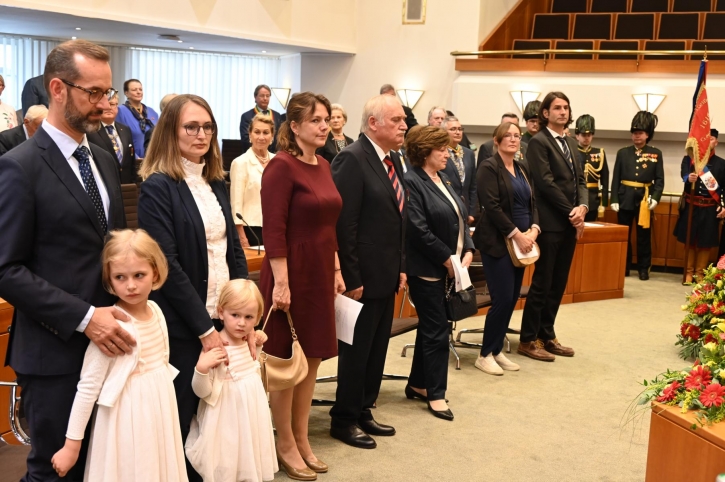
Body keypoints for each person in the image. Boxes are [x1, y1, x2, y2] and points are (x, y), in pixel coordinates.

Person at [0, 39, 133, 481]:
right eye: (92, 92)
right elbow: (6, 270)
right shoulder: (19, 166)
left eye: (107, 92)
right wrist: (85, 318)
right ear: (57, 89)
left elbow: (112, 248)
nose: (104, 104)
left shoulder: (103, 160)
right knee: (55, 472)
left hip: (111, 346)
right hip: (55, 352)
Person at [138, 94, 249, 482]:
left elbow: (233, 250)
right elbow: (167, 265)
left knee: (218, 416)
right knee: (183, 416)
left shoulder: (216, 181)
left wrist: (243, 311)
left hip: (223, 315)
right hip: (184, 324)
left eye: (208, 127)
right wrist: (204, 328)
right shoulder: (157, 186)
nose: (201, 135)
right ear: (171, 131)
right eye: (191, 127)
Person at [50, 229, 187, 481]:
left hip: (159, 412)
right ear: (110, 280)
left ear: (155, 273)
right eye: (120, 277)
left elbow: (163, 359)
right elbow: (88, 387)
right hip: (125, 418)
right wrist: (72, 445)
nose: (131, 285)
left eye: (139, 275)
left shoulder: (156, 310)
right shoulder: (112, 326)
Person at [260, 91, 344, 480]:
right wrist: (281, 283)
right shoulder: (280, 166)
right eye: (315, 120)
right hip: (290, 273)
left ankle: (301, 436)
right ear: (294, 126)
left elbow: (329, 225)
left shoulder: (324, 165)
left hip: (320, 270)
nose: (324, 126)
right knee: (286, 361)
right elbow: (274, 230)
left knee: (311, 359)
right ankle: (284, 442)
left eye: (326, 119)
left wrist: (337, 269)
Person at [330, 94, 407, 448]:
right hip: (361, 277)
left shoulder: (393, 159)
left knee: (376, 350)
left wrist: (401, 267)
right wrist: (352, 276)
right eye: (397, 120)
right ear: (373, 123)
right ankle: (344, 419)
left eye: (403, 120)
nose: (404, 126)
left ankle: (364, 409)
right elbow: (344, 225)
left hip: (387, 274)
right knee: (357, 351)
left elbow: (398, 219)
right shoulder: (352, 158)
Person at [403, 125, 475, 420]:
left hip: (452, 266)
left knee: (431, 328)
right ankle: (436, 394)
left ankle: (418, 384)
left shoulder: (443, 178)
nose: (448, 154)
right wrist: (447, 259)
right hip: (428, 269)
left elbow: (461, 216)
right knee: (437, 331)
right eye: (442, 149)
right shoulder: (412, 181)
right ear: (424, 152)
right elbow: (417, 229)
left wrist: (468, 248)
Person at [518, 91, 587, 362]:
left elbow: (580, 181)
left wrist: (583, 208)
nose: (563, 112)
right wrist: (571, 211)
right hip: (550, 223)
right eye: (557, 108)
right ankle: (528, 339)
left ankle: (547, 335)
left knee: (558, 283)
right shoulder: (539, 141)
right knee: (542, 282)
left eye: (566, 107)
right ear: (545, 113)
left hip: (569, 224)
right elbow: (545, 183)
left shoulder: (570, 142)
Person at [186, 279, 277, 482]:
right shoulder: (216, 347)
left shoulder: (249, 342)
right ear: (221, 312)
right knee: (226, 458)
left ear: (258, 318)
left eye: (249, 317)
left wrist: (259, 344)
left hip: (250, 411)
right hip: (224, 415)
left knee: (247, 452)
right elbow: (203, 392)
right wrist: (201, 368)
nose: (242, 323)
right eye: (235, 315)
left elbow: (252, 367)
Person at [473, 122, 539, 375]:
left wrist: (534, 229)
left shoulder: (522, 167)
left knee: (512, 298)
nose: (513, 139)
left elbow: (533, 203)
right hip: (498, 243)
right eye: (508, 136)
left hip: (523, 243)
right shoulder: (488, 167)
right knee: (501, 299)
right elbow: (491, 206)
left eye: (517, 136)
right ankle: (484, 355)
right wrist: (516, 235)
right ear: (496, 140)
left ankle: (496, 349)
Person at [610, 111, 665, 280]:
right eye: (634, 133)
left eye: (640, 133)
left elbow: (659, 180)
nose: (637, 136)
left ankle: (643, 268)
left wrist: (655, 197)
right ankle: (624, 266)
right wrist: (614, 199)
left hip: (644, 200)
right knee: (624, 235)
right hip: (624, 198)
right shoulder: (623, 153)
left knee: (643, 237)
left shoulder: (656, 153)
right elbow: (616, 178)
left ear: (647, 135)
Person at [674, 129, 725, 283]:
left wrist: (723, 205)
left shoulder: (721, 163)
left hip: (709, 208)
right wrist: (688, 177)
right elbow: (683, 174)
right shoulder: (689, 160)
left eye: (711, 139)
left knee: (705, 242)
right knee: (690, 240)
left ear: (716, 142)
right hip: (691, 206)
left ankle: (699, 273)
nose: (708, 142)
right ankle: (688, 272)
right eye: (705, 139)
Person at [231, 114, 275, 247]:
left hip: (276, 227)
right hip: (251, 229)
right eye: (257, 132)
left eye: (266, 132)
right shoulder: (240, 163)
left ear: (272, 136)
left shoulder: (278, 161)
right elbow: (236, 204)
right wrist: (242, 237)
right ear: (250, 135)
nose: (261, 137)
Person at [87, 92, 136, 183]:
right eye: (107, 103)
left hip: (127, 184)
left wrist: (134, 184)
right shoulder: (90, 131)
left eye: (113, 104)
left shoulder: (125, 130)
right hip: (104, 183)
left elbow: (131, 161)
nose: (109, 108)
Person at [441, 116, 477, 225]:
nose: (458, 132)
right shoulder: (440, 153)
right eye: (453, 129)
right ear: (443, 132)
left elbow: (473, 185)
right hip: (447, 207)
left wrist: (472, 212)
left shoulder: (468, 153)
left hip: (465, 208)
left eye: (460, 129)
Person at [575, 114, 609, 221]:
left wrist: (603, 203)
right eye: (583, 135)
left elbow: (605, 179)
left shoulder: (599, 153)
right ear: (577, 136)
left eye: (589, 135)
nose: (586, 138)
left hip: (593, 200)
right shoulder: (572, 152)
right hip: (576, 199)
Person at [116, 78, 158, 159]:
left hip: (154, 158)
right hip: (134, 159)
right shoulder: (120, 111)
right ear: (126, 93)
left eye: (140, 89)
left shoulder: (152, 111)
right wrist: (136, 158)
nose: (138, 92)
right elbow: (120, 139)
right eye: (134, 90)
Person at [240, 84, 282, 153]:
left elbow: (280, 137)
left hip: (274, 155)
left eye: (267, 96)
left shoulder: (277, 115)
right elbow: (246, 140)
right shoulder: (246, 116)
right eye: (262, 96)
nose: (265, 98)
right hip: (253, 154)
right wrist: (262, 151)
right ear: (255, 97)